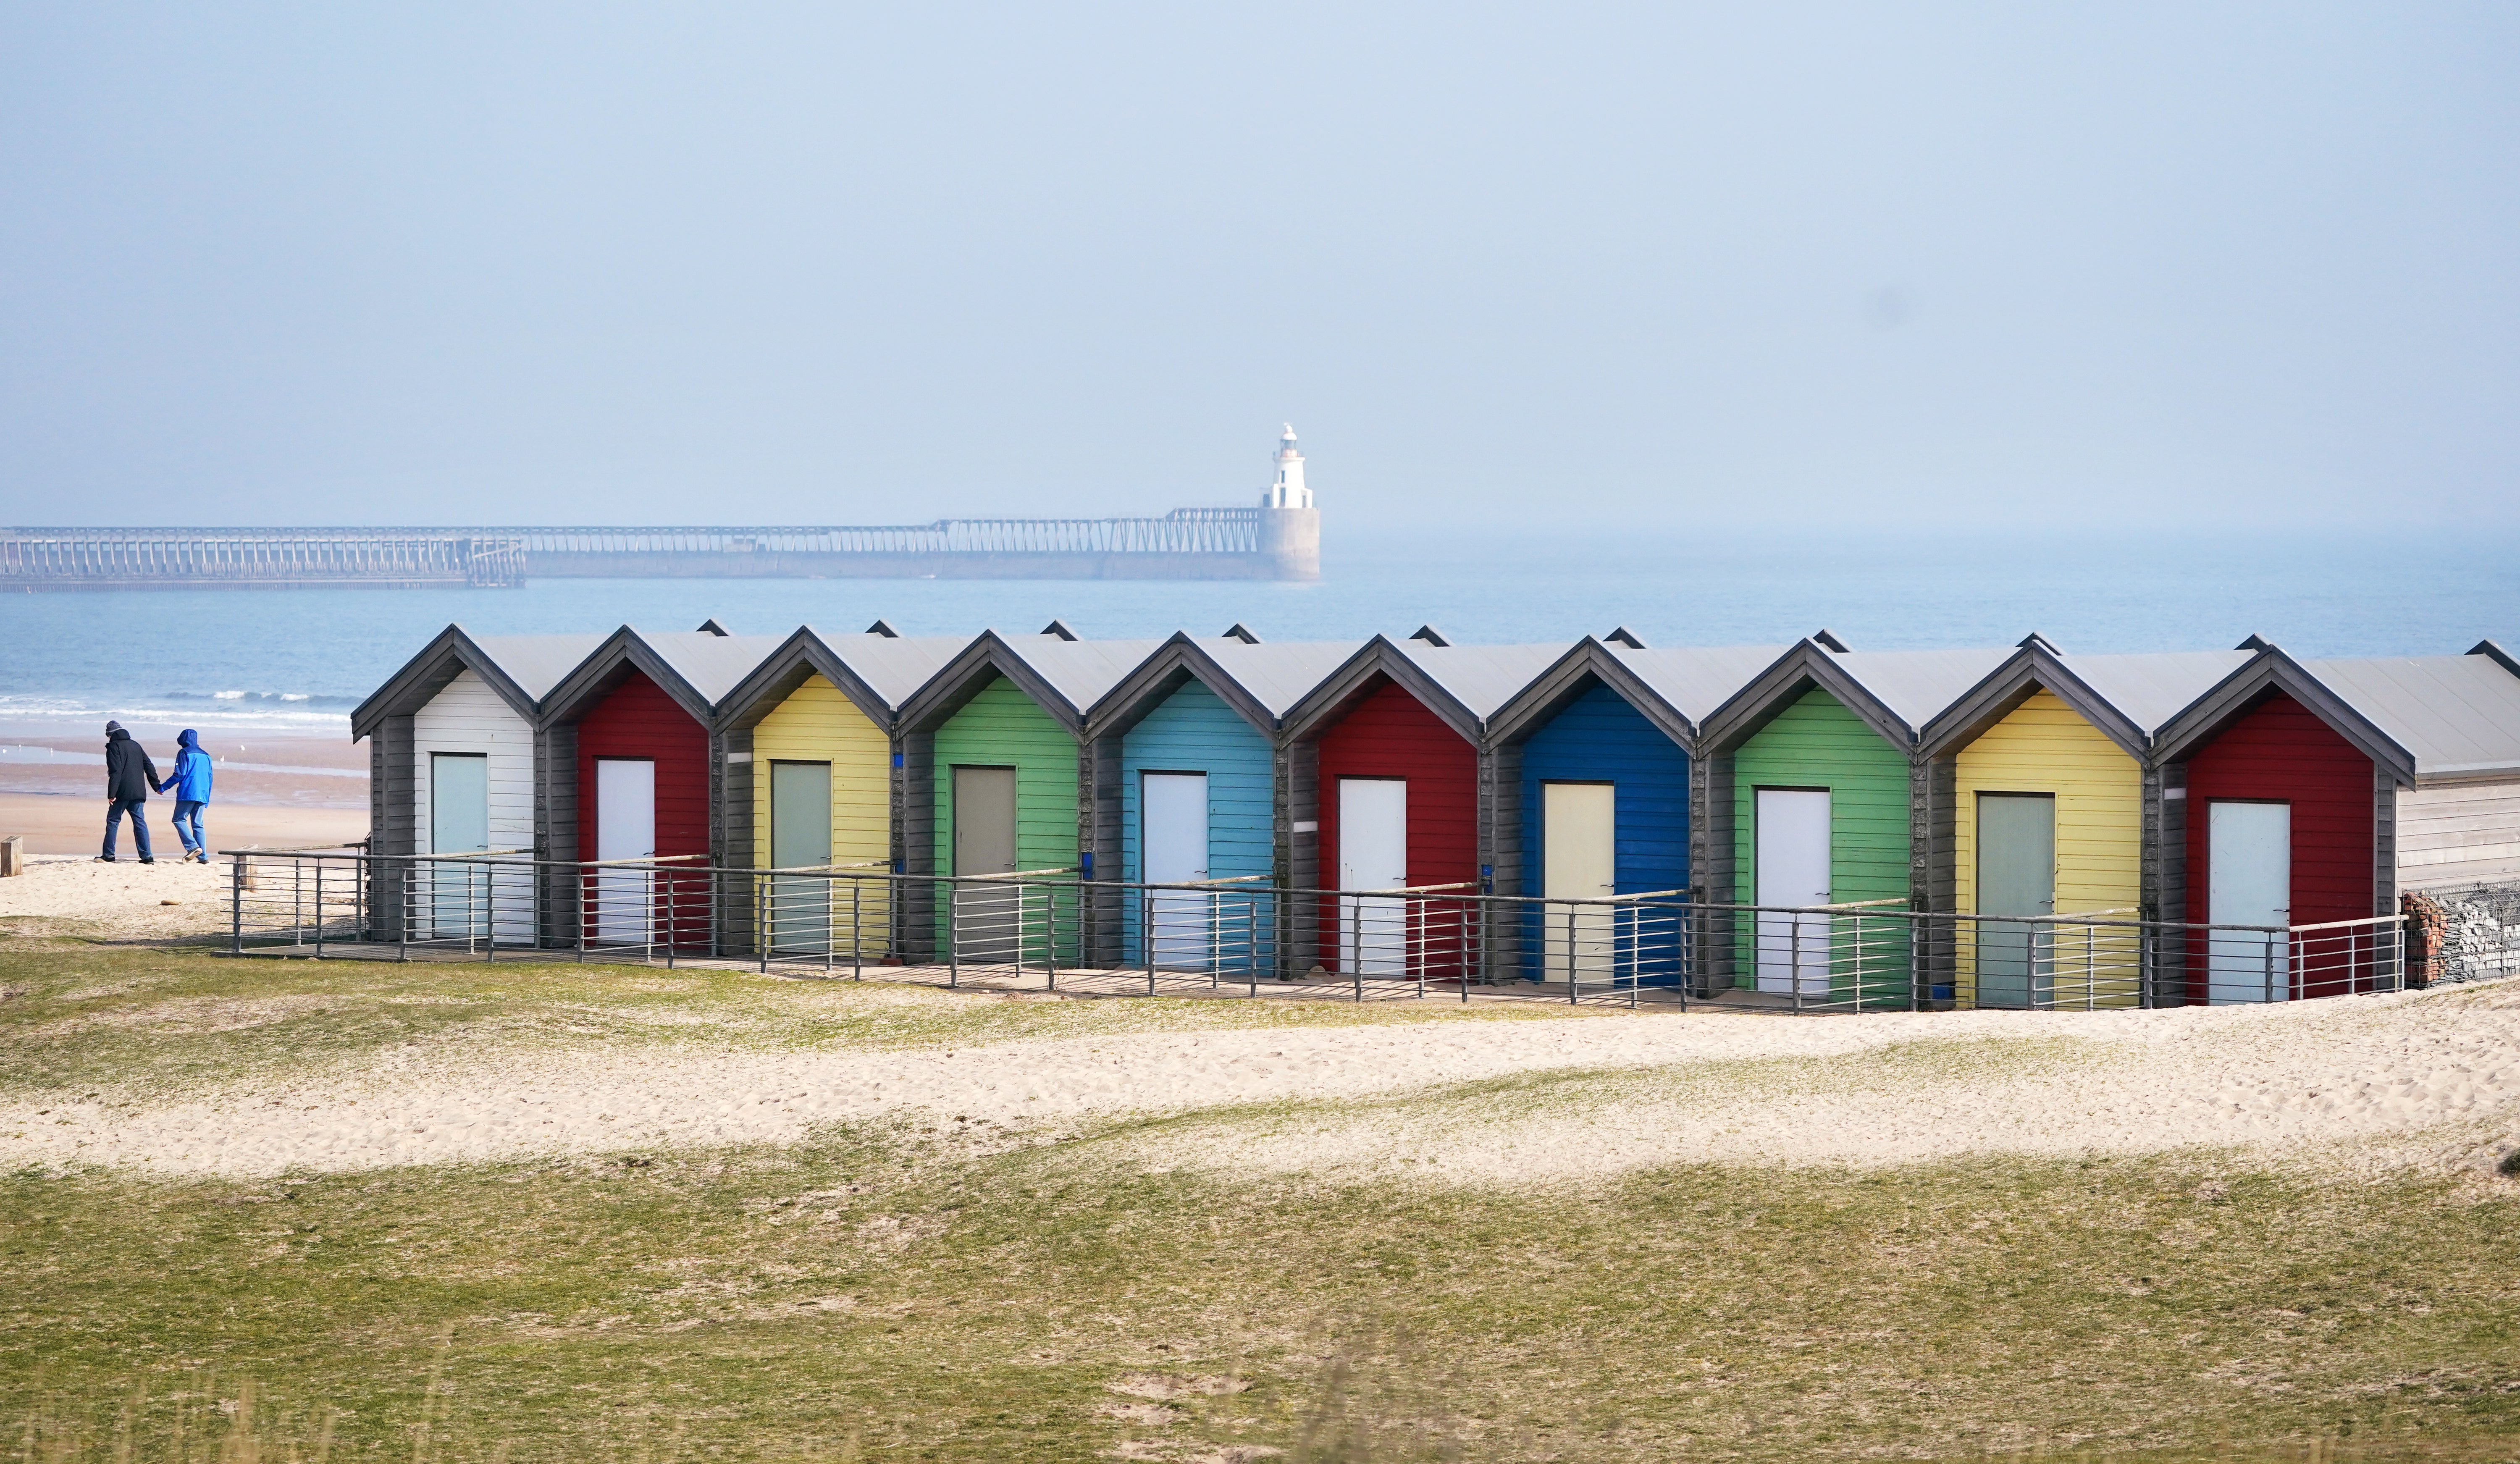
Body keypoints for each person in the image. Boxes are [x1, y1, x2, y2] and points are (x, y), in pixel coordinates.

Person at [100, 720, 159, 864]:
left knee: (113, 821)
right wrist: (156, 786)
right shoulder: (136, 745)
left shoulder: (114, 747)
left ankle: (109, 855)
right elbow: (149, 766)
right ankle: (147, 857)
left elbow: (116, 771)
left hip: (121, 792)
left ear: (110, 735)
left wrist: (112, 794)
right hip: (139, 791)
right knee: (140, 823)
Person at [157, 728, 214, 864]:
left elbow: (180, 774)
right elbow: (210, 777)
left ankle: (193, 847)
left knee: (179, 819)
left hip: (188, 792)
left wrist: (163, 787)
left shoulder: (184, 753)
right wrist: (207, 797)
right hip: (203, 793)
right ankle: (204, 857)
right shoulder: (207, 755)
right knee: (198, 824)